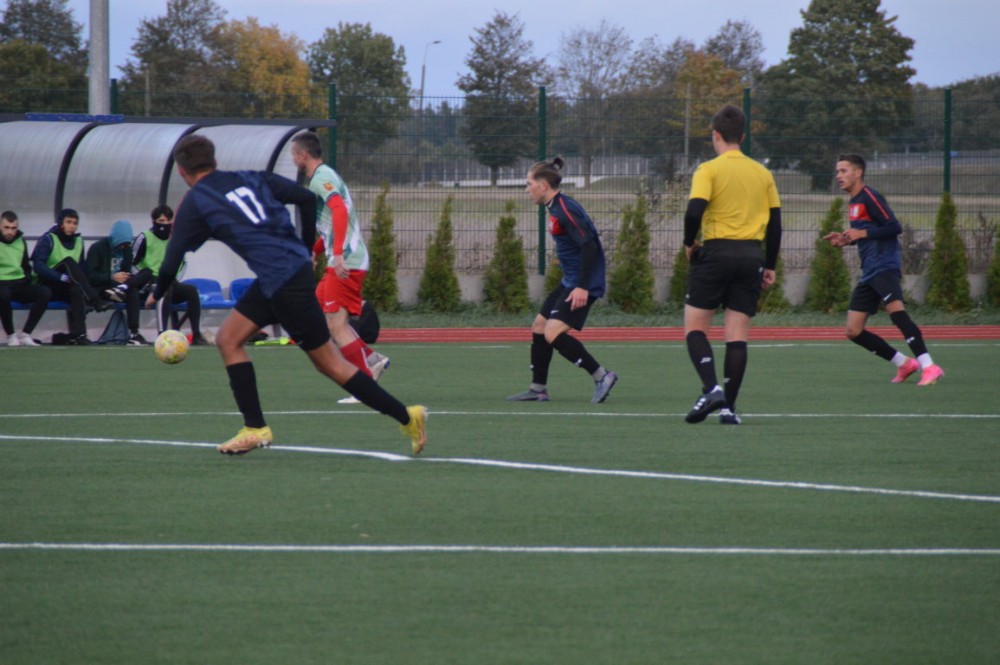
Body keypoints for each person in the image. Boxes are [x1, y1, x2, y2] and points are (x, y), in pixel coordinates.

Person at [149, 134, 426, 455]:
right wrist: (306, 249)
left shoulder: (196, 201)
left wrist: (158, 291)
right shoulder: (249, 177)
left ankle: (408, 417)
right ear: (215, 161)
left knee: (330, 364)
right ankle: (254, 428)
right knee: (228, 339)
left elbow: (172, 258)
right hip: (281, 276)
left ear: (182, 172)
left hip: (283, 283)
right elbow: (306, 199)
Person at [681, 104, 782, 425]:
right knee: (737, 335)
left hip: (716, 252)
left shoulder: (708, 170)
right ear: (743, 136)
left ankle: (712, 389)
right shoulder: (762, 173)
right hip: (751, 255)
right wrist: (769, 264)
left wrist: (688, 243)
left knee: (695, 328)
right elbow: (776, 224)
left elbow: (694, 211)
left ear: (715, 135)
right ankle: (729, 410)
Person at [823, 153, 944, 386]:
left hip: (883, 266)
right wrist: (848, 239)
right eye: (837, 171)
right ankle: (904, 363)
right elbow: (869, 233)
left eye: (843, 171)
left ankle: (929, 366)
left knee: (897, 314)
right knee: (853, 330)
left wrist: (861, 233)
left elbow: (893, 227)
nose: (838, 176)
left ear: (858, 172)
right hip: (869, 271)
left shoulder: (870, 196)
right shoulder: (854, 201)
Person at [506, 156, 618, 404]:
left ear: (543, 185)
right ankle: (538, 389)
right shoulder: (556, 206)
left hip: (582, 283)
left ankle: (602, 375)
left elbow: (589, 245)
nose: (526, 190)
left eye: (528, 184)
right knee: (539, 326)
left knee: (552, 332)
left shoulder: (565, 208)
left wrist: (582, 286)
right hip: (571, 280)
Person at [289, 131, 390, 403]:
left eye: (293, 154)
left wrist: (337, 255)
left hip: (346, 261)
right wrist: (315, 251)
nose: (293, 159)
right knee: (321, 312)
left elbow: (340, 211)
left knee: (336, 325)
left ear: (303, 155)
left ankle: (365, 384)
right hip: (343, 259)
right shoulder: (323, 177)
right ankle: (372, 360)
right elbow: (330, 226)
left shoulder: (321, 178)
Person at [30, 208, 111, 345]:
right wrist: (59, 276)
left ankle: (80, 334)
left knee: (76, 289)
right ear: (61, 223)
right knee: (68, 262)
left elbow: (81, 269)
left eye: (75, 223)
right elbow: (38, 266)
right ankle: (95, 300)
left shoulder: (79, 241)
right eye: (68, 222)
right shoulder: (48, 239)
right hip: (48, 285)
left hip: (66, 285)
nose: (72, 226)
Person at [132, 204, 208, 345]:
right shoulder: (144, 237)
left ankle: (197, 335)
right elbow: (132, 263)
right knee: (164, 289)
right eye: (161, 221)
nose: (165, 224)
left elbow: (183, 264)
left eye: (168, 221)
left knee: (191, 291)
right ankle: (162, 334)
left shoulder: (176, 239)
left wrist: (174, 278)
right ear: (154, 221)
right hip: (149, 283)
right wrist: (146, 278)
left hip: (170, 281)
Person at [85, 219, 153, 345]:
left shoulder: (127, 250)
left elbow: (126, 270)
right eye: (121, 244)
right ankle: (123, 288)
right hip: (103, 289)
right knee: (132, 291)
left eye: (126, 244)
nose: (123, 247)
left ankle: (134, 334)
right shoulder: (97, 248)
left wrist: (125, 277)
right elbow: (90, 276)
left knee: (147, 272)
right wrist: (111, 277)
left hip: (120, 288)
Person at [0, 210, 51, 346]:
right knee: (3, 294)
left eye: (13, 228)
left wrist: (27, 279)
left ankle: (26, 334)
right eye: (6, 228)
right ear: (0, 226)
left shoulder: (21, 241)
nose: (10, 232)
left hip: (19, 284)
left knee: (44, 292)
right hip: (2, 285)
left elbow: (26, 266)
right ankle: (11, 335)